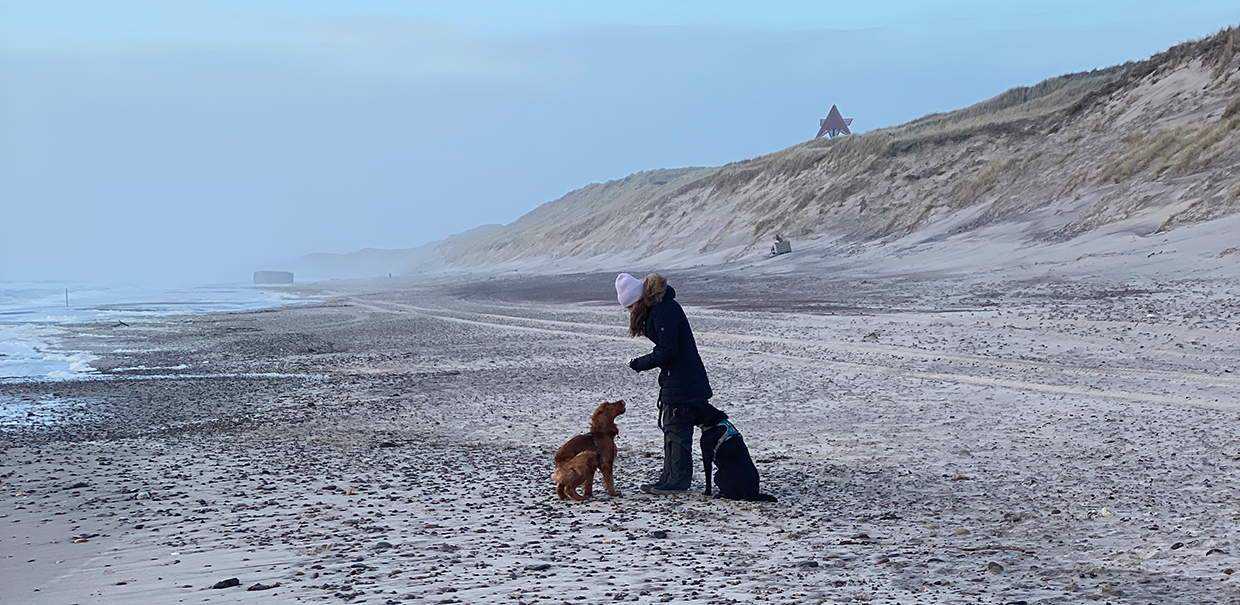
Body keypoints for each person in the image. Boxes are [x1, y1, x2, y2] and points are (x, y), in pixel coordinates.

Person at [616, 272, 725, 495]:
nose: (629, 311)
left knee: (677, 430)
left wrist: (640, 363)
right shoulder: (659, 308)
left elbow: (668, 350)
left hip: (684, 381)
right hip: (677, 378)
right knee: (670, 429)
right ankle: (669, 476)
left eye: (630, 306)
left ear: (638, 299)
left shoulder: (664, 310)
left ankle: (677, 481)